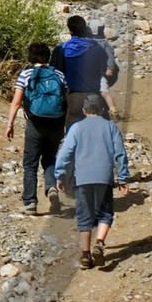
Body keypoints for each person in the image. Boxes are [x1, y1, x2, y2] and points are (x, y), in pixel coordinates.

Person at [53, 89, 130, 269]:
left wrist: (60, 175)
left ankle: (86, 255)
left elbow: (65, 154)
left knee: (84, 216)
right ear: (103, 109)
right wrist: (123, 178)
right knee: (105, 213)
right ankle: (100, 243)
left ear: (84, 110)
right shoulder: (111, 127)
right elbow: (121, 154)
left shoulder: (76, 128)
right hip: (104, 178)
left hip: (83, 178)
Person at [4, 38, 68, 215]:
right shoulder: (59, 74)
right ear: (47, 56)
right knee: (50, 159)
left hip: (35, 123)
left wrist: (10, 124)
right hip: (56, 123)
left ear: (31, 57)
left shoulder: (26, 74)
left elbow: (16, 102)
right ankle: (51, 188)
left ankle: (30, 202)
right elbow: (66, 100)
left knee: (30, 163)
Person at [54, 13, 119, 125]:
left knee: (73, 133)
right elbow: (104, 69)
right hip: (93, 95)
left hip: (72, 96)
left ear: (70, 31)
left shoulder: (61, 49)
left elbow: (55, 73)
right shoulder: (97, 48)